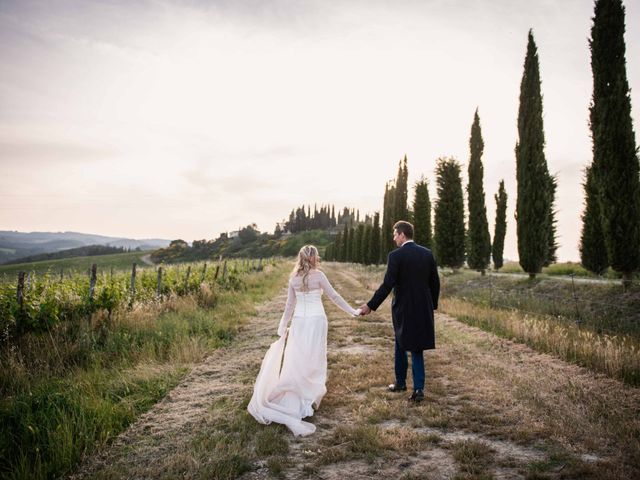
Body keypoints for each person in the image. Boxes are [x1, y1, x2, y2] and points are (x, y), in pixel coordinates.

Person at [248, 245, 359, 436]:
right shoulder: (319, 276)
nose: (318, 258)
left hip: (299, 322)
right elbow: (334, 296)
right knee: (314, 357)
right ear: (312, 258)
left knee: (297, 358)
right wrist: (352, 311)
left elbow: (289, 305)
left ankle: (300, 394)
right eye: (316, 256)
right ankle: (309, 396)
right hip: (316, 321)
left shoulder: (294, 278)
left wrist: (283, 325)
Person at [360, 221, 440, 402]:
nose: (394, 237)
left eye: (395, 234)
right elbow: (435, 282)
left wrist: (371, 305)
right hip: (423, 307)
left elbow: (388, 284)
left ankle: (400, 383)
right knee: (417, 348)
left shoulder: (396, 256)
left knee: (401, 342)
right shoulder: (427, 254)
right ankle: (418, 389)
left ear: (403, 235)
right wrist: (432, 305)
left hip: (403, 307)